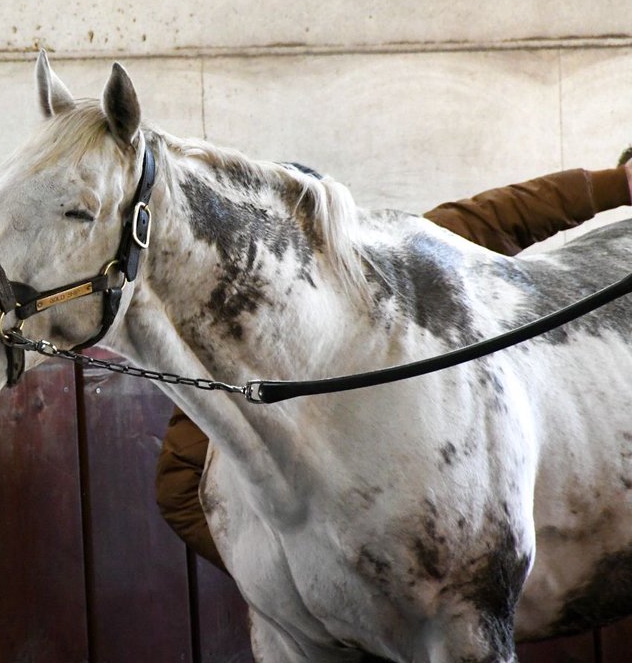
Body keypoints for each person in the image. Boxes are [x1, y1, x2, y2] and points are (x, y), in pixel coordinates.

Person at [156, 151, 632, 572]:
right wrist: (295, 583)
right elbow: (180, 490)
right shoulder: (229, 357)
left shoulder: (389, 269)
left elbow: (492, 217)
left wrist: (617, 185)